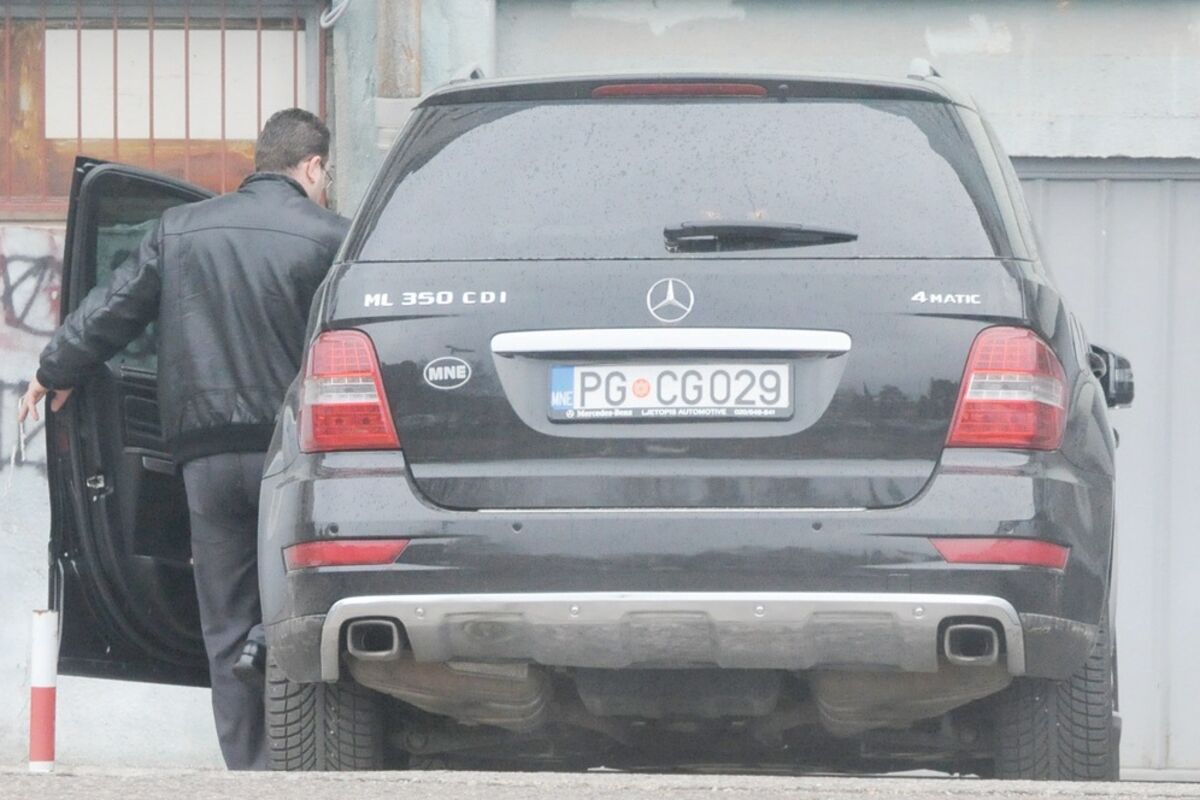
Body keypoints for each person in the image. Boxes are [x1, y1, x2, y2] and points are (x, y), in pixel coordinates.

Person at [19, 108, 350, 770]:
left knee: (224, 624)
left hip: (205, 457)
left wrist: (53, 370)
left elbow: (110, 310)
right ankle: (306, 761)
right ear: (313, 167)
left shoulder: (180, 229)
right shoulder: (332, 238)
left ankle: (249, 772)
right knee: (304, 609)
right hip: (293, 458)